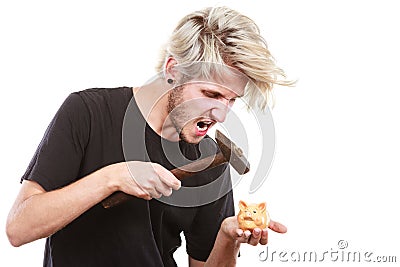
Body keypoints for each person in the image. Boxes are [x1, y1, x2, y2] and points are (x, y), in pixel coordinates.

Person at [6, 6, 290, 267]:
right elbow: (19, 229)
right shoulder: (88, 113)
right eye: (211, 94)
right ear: (173, 71)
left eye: (231, 100)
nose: (221, 114)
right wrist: (112, 177)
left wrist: (228, 238)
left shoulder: (209, 161)